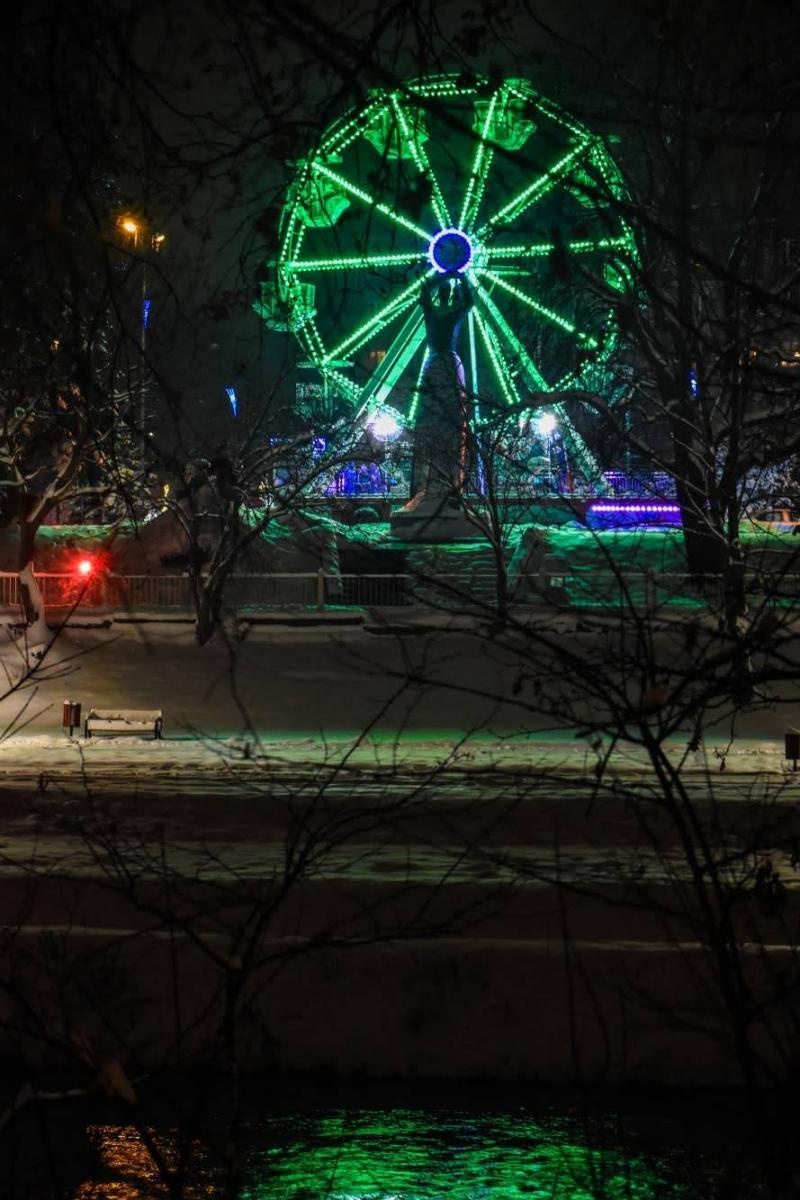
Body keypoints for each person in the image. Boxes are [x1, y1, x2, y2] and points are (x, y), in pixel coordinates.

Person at [407, 272, 474, 508]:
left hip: (437, 362)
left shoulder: (434, 313)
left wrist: (441, 276)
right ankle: (446, 484)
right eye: (445, 290)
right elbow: (469, 301)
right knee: (449, 421)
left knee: (439, 420)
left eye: (446, 290)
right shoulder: (447, 312)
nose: (445, 293)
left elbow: (424, 296)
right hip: (445, 363)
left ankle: (441, 484)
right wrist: (457, 275)